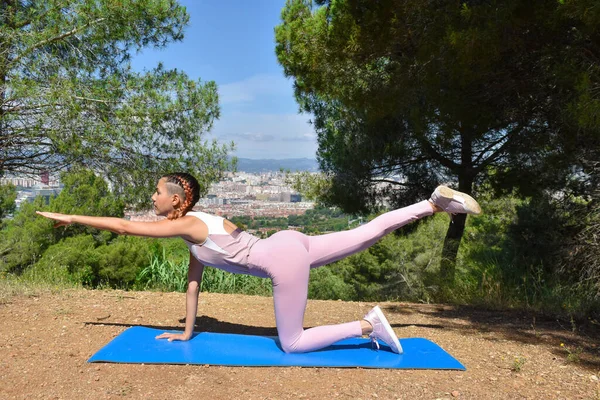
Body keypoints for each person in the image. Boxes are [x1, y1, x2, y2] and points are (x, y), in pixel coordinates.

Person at [37, 172, 481, 354]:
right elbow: (194, 284)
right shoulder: (198, 229)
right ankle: (432, 203)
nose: (151, 199)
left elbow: (125, 227)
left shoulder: (188, 224)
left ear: (177, 199)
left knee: (291, 343)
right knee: (368, 232)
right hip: (288, 244)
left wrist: (73, 216)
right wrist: (188, 331)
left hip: (281, 259)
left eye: (157, 193)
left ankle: (367, 327)